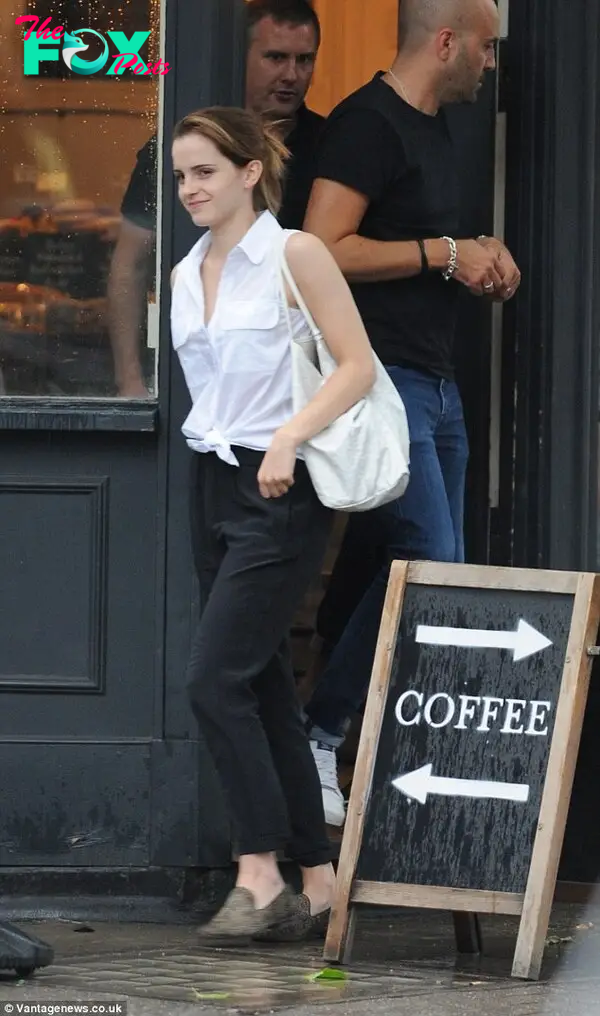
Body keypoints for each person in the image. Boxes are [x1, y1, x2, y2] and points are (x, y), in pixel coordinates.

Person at [301, 0, 522, 827]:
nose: (490, 64)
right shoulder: (368, 123)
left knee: (415, 571)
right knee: (427, 566)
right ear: (445, 42)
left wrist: (477, 260)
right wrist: (446, 254)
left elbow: (426, 248)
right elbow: (321, 247)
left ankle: (356, 748)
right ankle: (320, 734)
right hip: (382, 383)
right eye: (485, 48)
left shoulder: (434, 131)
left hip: (433, 384)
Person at [170, 106, 376, 944]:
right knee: (257, 685)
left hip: (281, 486)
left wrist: (290, 434)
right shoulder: (187, 270)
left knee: (211, 680)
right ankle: (321, 881)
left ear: (252, 171)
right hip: (213, 484)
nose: (189, 189)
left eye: (206, 172)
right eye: (181, 175)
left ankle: (259, 870)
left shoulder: (295, 254)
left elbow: (357, 364)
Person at [108, 0, 324, 398]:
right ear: (239, 57)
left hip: (298, 388)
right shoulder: (184, 149)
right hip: (191, 377)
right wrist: (131, 380)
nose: (291, 74)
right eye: (275, 57)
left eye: (304, 59)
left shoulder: (333, 146)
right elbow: (130, 263)